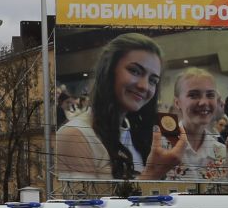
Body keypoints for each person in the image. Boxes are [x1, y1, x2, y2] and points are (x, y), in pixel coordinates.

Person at [56, 33, 169, 181]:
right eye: (135, 71)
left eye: (153, 80)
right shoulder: (74, 135)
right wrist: (152, 175)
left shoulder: (137, 135)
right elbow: (86, 203)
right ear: (109, 70)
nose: (144, 86)